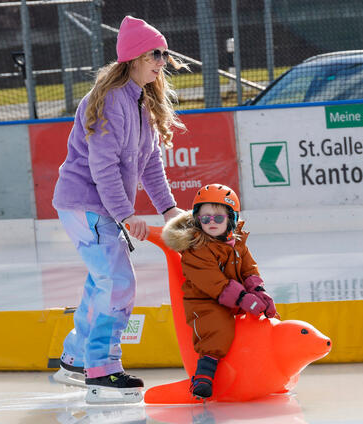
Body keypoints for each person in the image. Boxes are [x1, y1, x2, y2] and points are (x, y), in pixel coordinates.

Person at [51, 15, 184, 404]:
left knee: (102, 282)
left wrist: (170, 210)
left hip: (99, 207)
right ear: (134, 57)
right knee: (118, 283)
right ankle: (102, 371)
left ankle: (76, 358)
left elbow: (151, 166)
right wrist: (126, 215)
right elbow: (102, 166)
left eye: (163, 54)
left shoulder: (141, 101)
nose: (162, 61)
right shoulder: (109, 100)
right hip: (85, 205)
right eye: (155, 54)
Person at [161, 184, 279, 399]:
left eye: (218, 218)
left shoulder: (238, 241)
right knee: (218, 327)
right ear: (198, 220)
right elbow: (212, 281)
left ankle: (268, 369)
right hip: (205, 302)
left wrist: (259, 291)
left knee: (261, 319)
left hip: (234, 297)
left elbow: (248, 268)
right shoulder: (196, 248)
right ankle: (204, 374)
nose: (211, 223)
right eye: (205, 219)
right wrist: (243, 298)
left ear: (231, 219)